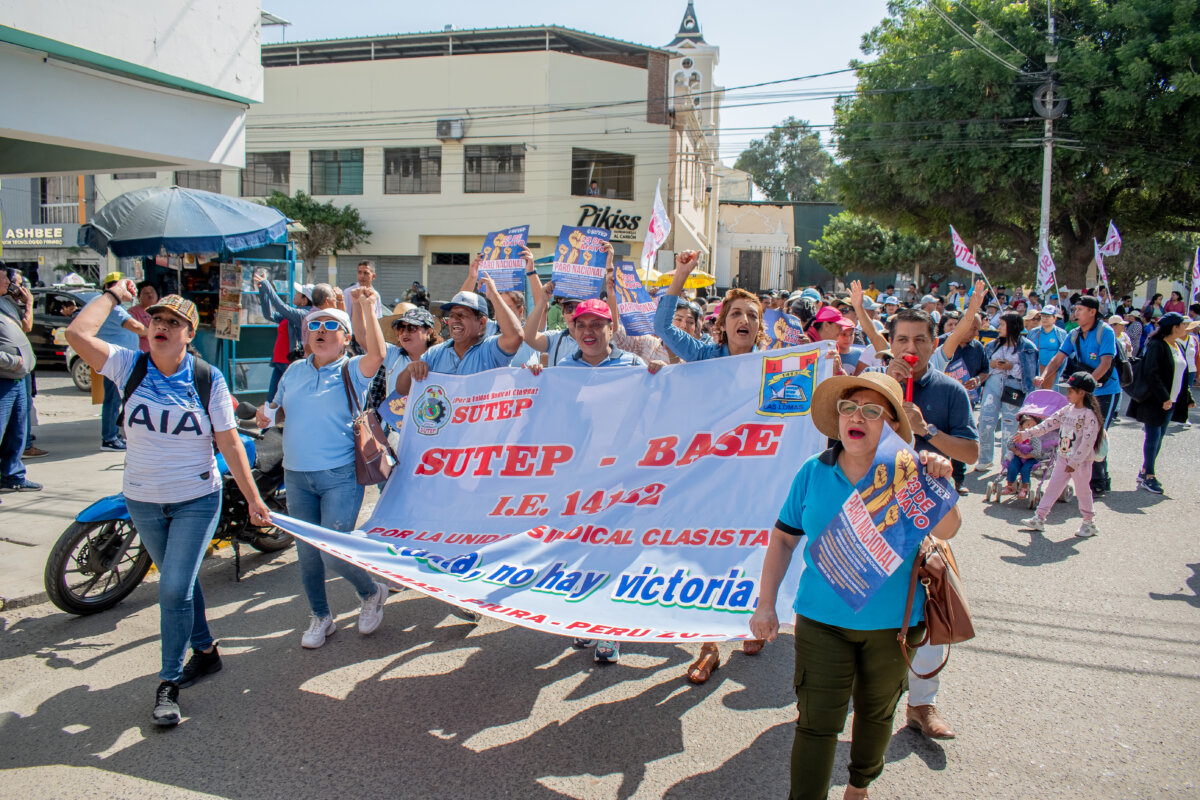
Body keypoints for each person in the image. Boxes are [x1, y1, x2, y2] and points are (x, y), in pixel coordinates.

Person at [749, 371, 959, 800]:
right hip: (820, 620)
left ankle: (860, 786)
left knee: (877, 715)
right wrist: (765, 605)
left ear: (892, 426)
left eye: (871, 410)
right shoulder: (813, 471)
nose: (855, 416)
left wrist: (941, 479)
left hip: (894, 627)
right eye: (848, 407)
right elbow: (785, 538)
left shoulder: (912, 472)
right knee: (815, 723)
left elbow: (951, 529)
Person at [66, 288, 271, 727]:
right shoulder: (129, 366)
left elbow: (229, 440)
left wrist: (253, 498)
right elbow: (76, 333)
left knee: (173, 589)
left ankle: (168, 683)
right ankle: (207, 651)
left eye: (173, 322)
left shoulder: (206, 378)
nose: (162, 326)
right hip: (142, 499)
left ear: (189, 333)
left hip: (196, 498)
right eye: (157, 319)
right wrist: (109, 295)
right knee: (182, 583)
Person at [259, 290, 390, 648]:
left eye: (332, 326)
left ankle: (370, 591)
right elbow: (278, 409)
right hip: (296, 476)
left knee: (332, 552)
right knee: (306, 555)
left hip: (340, 476)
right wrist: (266, 414)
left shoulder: (351, 369)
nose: (321, 330)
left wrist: (364, 307)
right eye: (314, 325)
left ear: (346, 338)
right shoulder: (293, 372)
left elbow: (377, 354)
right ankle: (320, 616)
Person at [883, 305, 979, 740]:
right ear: (891, 343)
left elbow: (972, 455)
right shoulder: (873, 387)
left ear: (934, 342)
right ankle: (861, 702)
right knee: (870, 611)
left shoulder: (951, 391)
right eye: (902, 339)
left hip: (928, 521)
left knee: (930, 611)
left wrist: (929, 431)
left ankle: (922, 704)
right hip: (875, 514)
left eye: (920, 339)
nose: (910, 348)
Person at [1038, 296, 1119, 496]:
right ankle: (1084, 477)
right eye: (1075, 309)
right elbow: (1057, 359)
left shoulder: (1105, 331)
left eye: (1080, 309)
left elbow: (1106, 363)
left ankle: (1099, 480)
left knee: (1097, 433)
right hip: (1085, 390)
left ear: (1092, 311)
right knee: (1079, 433)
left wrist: (1085, 386)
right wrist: (1043, 376)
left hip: (1106, 390)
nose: (1076, 313)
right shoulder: (1074, 333)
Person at [1019, 372, 1105, 537]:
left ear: (1082, 393)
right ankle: (1039, 517)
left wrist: (1075, 461)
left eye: (1071, 391)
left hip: (1080, 462)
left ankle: (1089, 522)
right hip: (1063, 457)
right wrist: (1026, 434)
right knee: (1052, 487)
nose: (1068, 394)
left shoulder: (1089, 416)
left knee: (1082, 491)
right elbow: (1047, 424)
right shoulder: (1067, 410)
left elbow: (1088, 442)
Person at [1126, 313, 1194, 494]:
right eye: (1182, 325)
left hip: (1172, 400)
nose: (1185, 328)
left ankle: (1144, 471)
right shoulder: (1157, 345)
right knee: (1153, 436)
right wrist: (1164, 397)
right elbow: (1152, 373)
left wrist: (1187, 397)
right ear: (1174, 327)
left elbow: (1182, 373)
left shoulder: (1177, 345)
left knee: (1159, 437)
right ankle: (1149, 476)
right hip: (1156, 400)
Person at [973, 312, 1038, 472]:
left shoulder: (1027, 347)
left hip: (1014, 387)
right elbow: (983, 367)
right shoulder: (991, 345)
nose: (999, 327)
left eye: (1002, 324)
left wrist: (1011, 367)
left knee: (1010, 425)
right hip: (992, 386)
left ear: (1012, 326)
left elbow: (1030, 373)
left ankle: (1007, 462)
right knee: (986, 422)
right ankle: (985, 458)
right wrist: (992, 363)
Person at [94, 272, 148, 451]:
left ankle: (113, 435)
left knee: (117, 399)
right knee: (113, 399)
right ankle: (109, 438)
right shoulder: (113, 307)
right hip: (115, 361)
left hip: (117, 360)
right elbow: (136, 327)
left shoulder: (110, 306)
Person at [254, 275, 312, 402]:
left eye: (298, 293)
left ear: (304, 300)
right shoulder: (294, 312)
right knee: (271, 401)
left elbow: (280, 307)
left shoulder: (303, 315)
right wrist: (263, 291)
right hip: (280, 362)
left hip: (289, 364)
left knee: (287, 400)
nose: (294, 295)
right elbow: (269, 315)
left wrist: (267, 286)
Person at [0, 306, 38, 496]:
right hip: (4, 378)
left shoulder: (6, 304)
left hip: (17, 379)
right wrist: (13, 361)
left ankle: (12, 475)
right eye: (6, 276)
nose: (10, 281)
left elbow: (26, 326)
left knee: (17, 432)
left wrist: (28, 302)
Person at [1001, 413, 1043, 499]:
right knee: (1012, 466)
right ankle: (1009, 485)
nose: (1030, 428)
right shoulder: (1018, 435)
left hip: (1031, 458)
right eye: (1028, 425)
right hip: (1019, 456)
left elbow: (1037, 451)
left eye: (1033, 426)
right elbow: (1010, 444)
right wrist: (1017, 452)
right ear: (1020, 426)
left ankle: (1024, 488)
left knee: (1025, 469)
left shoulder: (1034, 438)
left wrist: (1027, 456)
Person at [1028, 305, 1068, 386]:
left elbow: (1067, 353)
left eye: (1048, 316)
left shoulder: (1061, 333)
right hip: (1036, 371)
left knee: (1051, 396)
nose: (1045, 318)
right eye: (1043, 316)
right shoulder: (1033, 332)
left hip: (1053, 371)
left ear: (1054, 318)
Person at [129, 282, 158, 352]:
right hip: (144, 354)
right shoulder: (132, 312)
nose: (150, 295)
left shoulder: (165, 310)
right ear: (139, 297)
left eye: (152, 291)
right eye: (146, 293)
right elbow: (133, 331)